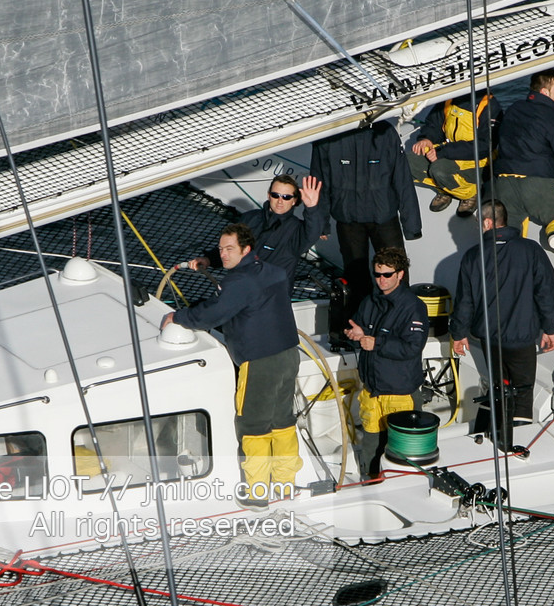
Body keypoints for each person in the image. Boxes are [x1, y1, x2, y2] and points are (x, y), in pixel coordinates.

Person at [163, 223, 299, 506]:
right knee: (282, 421)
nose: (223, 254)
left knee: (254, 426)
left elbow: (212, 314)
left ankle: (257, 493)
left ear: (246, 249)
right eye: (221, 249)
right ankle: (285, 485)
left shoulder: (239, 282)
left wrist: (178, 317)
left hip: (259, 363)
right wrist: (211, 261)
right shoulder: (273, 271)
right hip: (288, 355)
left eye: (229, 249)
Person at [449, 200, 554, 437]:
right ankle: (517, 440)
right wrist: (549, 328)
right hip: (522, 340)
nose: (478, 227)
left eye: (479, 223)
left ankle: (491, 433)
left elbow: (465, 301)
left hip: (490, 340)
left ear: (489, 223)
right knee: (523, 392)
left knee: (499, 387)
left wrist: (459, 334)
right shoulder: (531, 250)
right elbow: (546, 292)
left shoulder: (472, 257)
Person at [310, 120, 422, 308]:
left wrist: (412, 226)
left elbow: (402, 179)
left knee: (395, 273)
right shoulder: (329, 135)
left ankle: (401, 314)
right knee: (355, 278)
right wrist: (321, 222)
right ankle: (361, 318)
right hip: (348, 219)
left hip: (384, 217)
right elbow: (319, 180)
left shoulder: (385, 132)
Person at [343, 246, 428, 478]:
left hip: (400, 393)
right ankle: (370, 481)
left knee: (401, 449)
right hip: (372, 390)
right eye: (377, 274)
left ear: (400, 274)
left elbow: (412, 347)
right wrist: (355, 334)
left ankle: (400, 483)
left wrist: (377, 343)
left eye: (387, 275)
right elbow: (360, 331)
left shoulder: (413, 307)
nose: (381, 280)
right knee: (370, 443)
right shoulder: (370, 301)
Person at [491, 69, 554, 260]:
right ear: (545, 92)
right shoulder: (552, 116)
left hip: (504, 182)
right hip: (536, 184)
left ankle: (507, 258)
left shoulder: (514, 108)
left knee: (510, 230)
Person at [188, 174, 325, 285]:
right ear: (269, 195)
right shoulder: (250, 218)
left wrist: (312, 207)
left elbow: (313, 231)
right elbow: (231, 248)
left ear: (294, 200)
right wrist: (208, 260)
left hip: (270, 298)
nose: (280, 201)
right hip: (238, 288)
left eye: (286, 197)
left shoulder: (297, 230)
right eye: (276, 195)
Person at [410, 91, 495, 215]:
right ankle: (446, 188)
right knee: (407, 163)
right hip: (448, 149)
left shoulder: (488, 105)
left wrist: (444, 152)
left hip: (478, 158)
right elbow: (434, 123)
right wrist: (427, 138)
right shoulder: (449, 99)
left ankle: (469, 193)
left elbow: (485, 146)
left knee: (439, 170)